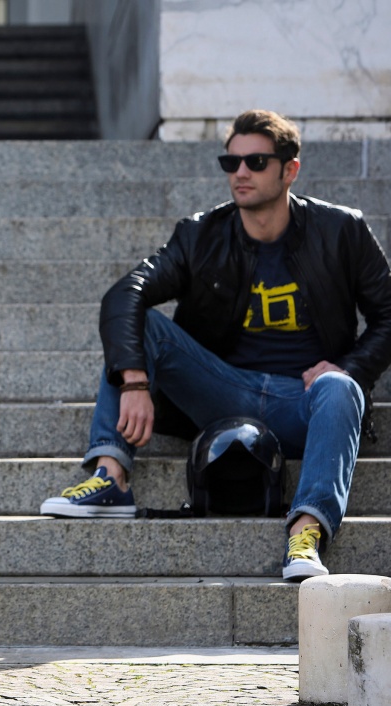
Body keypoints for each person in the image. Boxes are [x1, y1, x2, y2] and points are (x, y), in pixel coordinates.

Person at [39, 109, 391, 582]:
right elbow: (125, 293)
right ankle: (110, 476)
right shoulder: (200, 235)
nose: (241, 172)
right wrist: (135, 382)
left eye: (256, 162)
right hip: (223, 392)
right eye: (231, 162)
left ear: (290, 170)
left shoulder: (341, 230)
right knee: (142, 324)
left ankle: (306, 533)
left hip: (304, 400)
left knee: (342, 387)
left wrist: (348, 366)